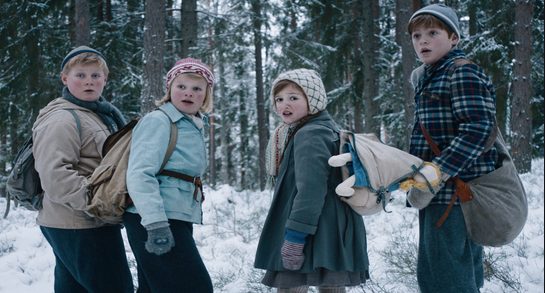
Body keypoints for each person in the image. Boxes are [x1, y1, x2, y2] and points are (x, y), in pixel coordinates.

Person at [406, 4, 498, 292]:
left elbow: (479, 129)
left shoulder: (461, 72)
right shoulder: (430, 75)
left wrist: (439, 170)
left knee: (445, 277)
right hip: (441, 190)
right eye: (417, 35)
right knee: (452, 270)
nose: (423, 41)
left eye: (433, 32)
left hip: (454, 190)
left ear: (454, 38)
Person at [254, 69, 369, 293]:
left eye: (293, 98)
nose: (284, 105)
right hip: (330, 228)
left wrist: (295, 237)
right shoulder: (326, 128)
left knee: (291, 286)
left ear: (313, 99)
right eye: (279, 99)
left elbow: (310, 190)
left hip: (312, 229)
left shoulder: (310, 134)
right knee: (330, 285)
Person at [32, 46, 133, 292]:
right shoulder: (62, 118)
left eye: (96, 75)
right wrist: (97, 201)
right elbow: (55, 175)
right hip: (80, 222)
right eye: (81, 75)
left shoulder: (94, 114)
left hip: (79, 222)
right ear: (65, 78)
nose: (89, 81)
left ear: (105, 80)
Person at [123, 57, 214, 292]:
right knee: (196, 287)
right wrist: (155, 223)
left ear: (206, 94)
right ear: (169, 88)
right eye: (181, 86)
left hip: (173, 216)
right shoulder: (159, 120)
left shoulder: (190, 124)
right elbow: (140, 174)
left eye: (197, 88)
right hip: (155, 218)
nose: (188, 93)